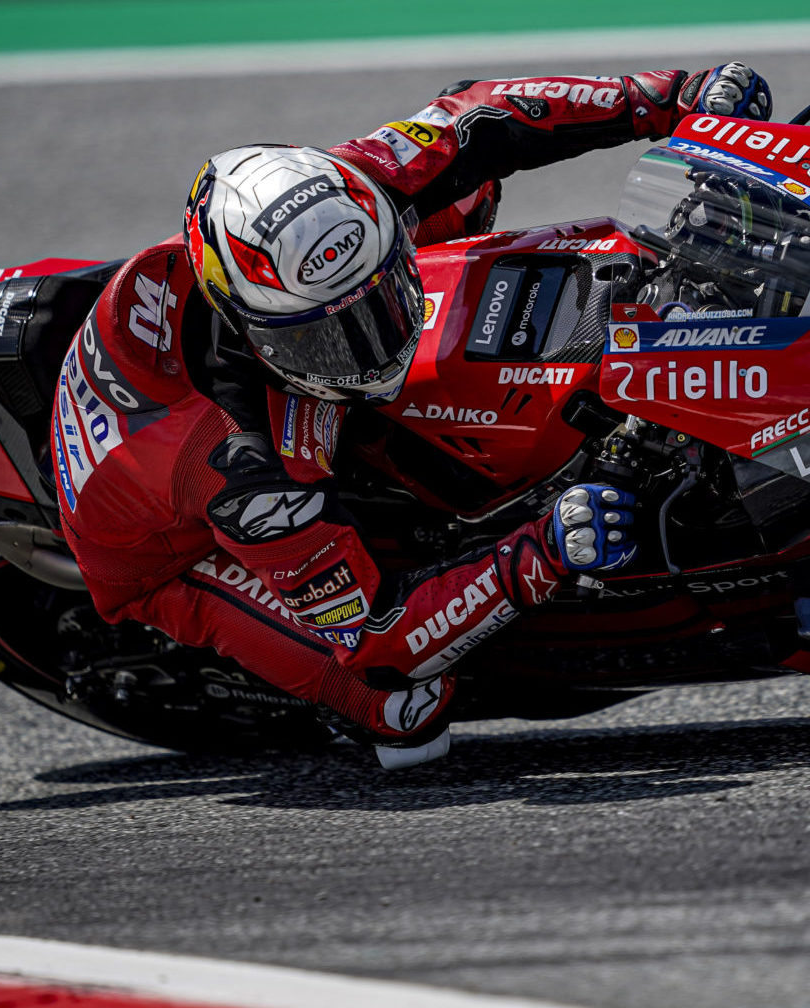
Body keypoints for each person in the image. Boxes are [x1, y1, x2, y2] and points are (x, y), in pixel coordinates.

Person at [51, 64, 773, 767]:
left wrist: (672, 99)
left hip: (244, 388)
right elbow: (380, 640)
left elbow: (484, 112)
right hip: (169, 551)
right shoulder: (244, 467)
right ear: (250, 323)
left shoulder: (349, 189)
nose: (371, 345)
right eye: (325, 337)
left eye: (381, 298)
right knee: (402, 708)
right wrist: (540, 552)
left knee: (464, 185)